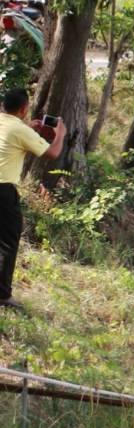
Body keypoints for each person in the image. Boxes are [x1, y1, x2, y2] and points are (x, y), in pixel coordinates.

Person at [0, 88, 65, 310]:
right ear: (24, 108)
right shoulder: (20, 130)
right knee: (8, 241)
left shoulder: (10, 125)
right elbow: (52, 153)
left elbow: (9, 139)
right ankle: (2, 295)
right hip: (3, 191)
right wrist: (60, 133)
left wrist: (28, 128)